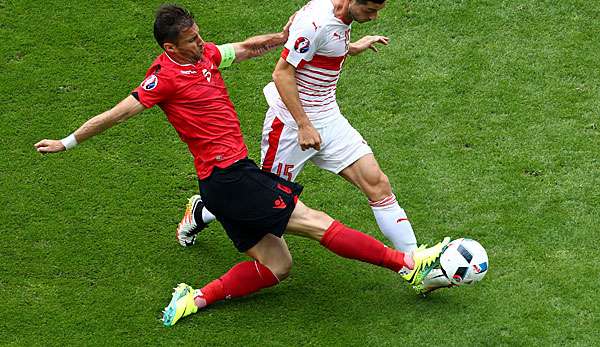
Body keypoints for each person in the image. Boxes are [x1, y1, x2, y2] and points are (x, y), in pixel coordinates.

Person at [34, 4, 449, 327]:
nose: (201, 43)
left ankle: (194, 298)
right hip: (231, 179)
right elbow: (117, 114)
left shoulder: (206, 57)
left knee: (278, 266)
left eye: (199, 36)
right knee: (317, 222)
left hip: (224, 183)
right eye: (192, 40)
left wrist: (282, 38)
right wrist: (67, 142)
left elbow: (247, 49)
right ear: (169, 47)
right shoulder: (162, 80)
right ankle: (408, 265)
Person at [178, 0, 419, 255]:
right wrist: (304, 125)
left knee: (377, 183)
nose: (374, 17)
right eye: (370, 10)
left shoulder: (335, 14)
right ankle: (203, 211)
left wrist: (350, 47)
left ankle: (416, 265)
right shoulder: (316, 22)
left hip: (328, 117)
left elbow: (324, 43)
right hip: (290, 126)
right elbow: (281, 74)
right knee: (263, 202)